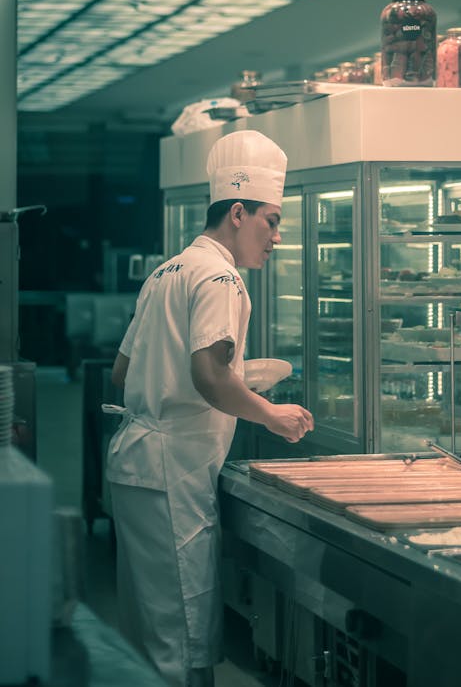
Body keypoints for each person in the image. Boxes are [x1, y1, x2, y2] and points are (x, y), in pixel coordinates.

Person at [105, 129, 314, 687]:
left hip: (134, 464)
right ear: (239, 213)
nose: (277, 237)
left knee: (148, 629)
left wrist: (239, 377)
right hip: (173, 475)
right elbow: (208, 376)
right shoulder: (222, 276)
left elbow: (124, 372)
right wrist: (270, 414)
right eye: (272, 221)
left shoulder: (167, 270)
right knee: (184, 638)